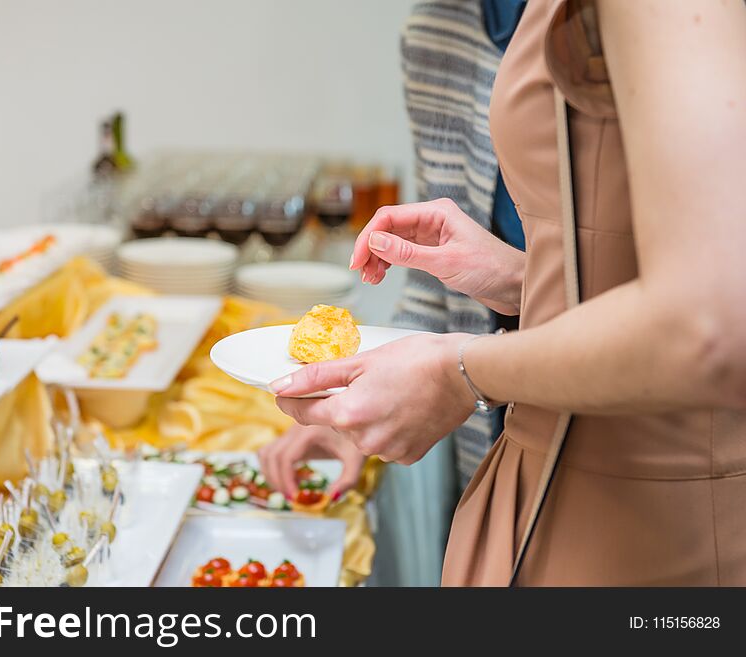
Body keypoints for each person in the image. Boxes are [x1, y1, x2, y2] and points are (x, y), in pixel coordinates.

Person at [270, 0, 746, 585]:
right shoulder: (443, 25)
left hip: (651, 511)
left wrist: (460, 373)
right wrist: (524, 280)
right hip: (547, 478)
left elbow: (710, 326)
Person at [259, 0, 524, 586]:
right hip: (497, 467)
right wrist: (351, 402)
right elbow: (442, 288)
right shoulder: (438, 29)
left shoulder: (619, 28)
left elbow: (683, 318)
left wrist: (466, 373)